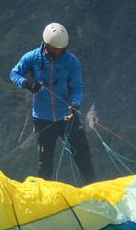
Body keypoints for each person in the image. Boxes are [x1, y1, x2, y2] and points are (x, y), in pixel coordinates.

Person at [9, 22, 96, 185]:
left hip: (66, 116)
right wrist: (27, 83)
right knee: (45, 163)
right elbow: (14, 73)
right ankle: (44, 197)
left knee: (83, 155)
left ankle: (94, 189)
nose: (58, 51)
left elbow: (77, 86)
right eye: (55, 48)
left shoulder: (71, 61)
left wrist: (75, 103)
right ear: (46, 44)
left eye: (61, 49)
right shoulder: (33, 57)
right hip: (42, 118)